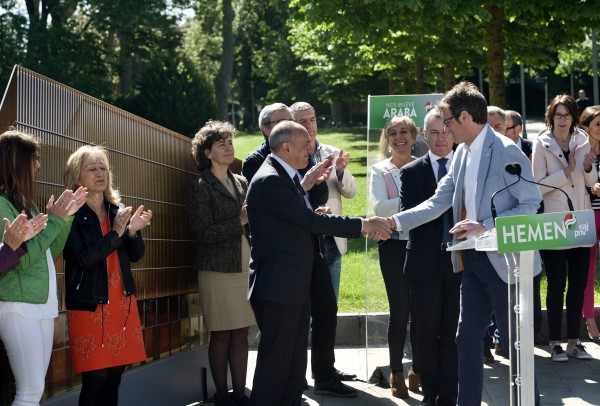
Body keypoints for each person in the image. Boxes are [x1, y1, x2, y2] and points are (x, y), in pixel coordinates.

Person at [387, 81, 542, 405]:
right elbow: (437, 202)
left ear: (466, 118)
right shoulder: (462, 155)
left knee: (515, 343)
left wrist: (484, 226)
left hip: (505, 263)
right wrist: (392, 222)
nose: (443, 128)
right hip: (471, 262)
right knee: (466, 338)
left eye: (447, 120)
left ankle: (532, 401)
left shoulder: (505, 150)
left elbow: (531, 202)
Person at [246, 120, 391, 406]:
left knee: (293, 365)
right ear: (286, 148)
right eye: (304, 146)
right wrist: (362, 224)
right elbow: (309, 221)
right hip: (278, 289)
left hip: (292, 287)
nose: (309, 150)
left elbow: (296, 217)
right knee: (276, 367)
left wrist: (307, 188)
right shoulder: (271, 179)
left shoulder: (283, 175)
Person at [0, 129, 87, 405]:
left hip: (40, 304)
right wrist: (57, 220)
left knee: (35, 391)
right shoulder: (2, 204)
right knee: (29, 391)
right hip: (18, 306)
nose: (38, 165)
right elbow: (22, 259)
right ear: (17, 162)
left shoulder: (24, 202)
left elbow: (48, 251)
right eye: (34, 158)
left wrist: (65, 218)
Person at [63, 145, 151, 405]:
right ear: (76, 176)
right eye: (91, 168)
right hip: (89, 305)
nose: (100, 173)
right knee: (96, 378)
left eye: (103, 167)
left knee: (114, 376)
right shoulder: (70, 215)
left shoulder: (117, 210)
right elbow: (83, 260)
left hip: (121, 303)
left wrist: (132, 232)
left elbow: (135, 255)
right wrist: (116, 233)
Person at [185, 121, 256, 406]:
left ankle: (240, 394)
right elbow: (203, 232)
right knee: (222, 333)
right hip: (217, 270)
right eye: (221, 144)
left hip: (245, 267)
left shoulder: (242, 182)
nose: (229, 148)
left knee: (241, 332)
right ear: (207, 152)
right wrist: (238, 220)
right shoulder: (199, 187)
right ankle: (222, 395)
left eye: (230, 142)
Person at [399, 109, 460, 406]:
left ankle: (449, 396)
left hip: (460, 264)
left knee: (453, 333)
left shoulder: (467, 167)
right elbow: (413, 216)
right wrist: (439, 199)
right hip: (425, 264)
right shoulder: (411, 172)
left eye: (446, 131)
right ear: (424, 136)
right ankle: (430, 393)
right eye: (434, 132)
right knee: (425, 333)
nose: (441, 138)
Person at [532, 94, 597, 362]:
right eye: (558, 115)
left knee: (579, 284)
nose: (562, 120)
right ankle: (555, 342)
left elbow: (591, 181)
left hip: (581, 220)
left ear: (573, 117)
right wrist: (566, 172)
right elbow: (537, 186)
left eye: (567, 115)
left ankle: (574, 341)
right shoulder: (541, 143)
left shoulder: (581, 140)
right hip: (554, 223)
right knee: (557, 284)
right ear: (551, 116)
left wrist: (588, 166)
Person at [369, 116, 420, 398]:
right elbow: (379, 207)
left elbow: (433, 205)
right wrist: (416, 206)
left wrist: (399, 209)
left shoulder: (424, 166)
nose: (399, 137)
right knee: (400, 311)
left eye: (404, 132)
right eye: (392, 133)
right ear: (387, 139)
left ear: (414, 136)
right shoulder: (380, 170)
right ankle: (397, 373)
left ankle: (419, 370)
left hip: (421, 246)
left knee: (422, 312)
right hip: (393, 248)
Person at [290, 102, 358, 301]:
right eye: (302, 121)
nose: (309, 125)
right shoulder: (288, 156)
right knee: (305, 304)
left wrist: (340, 171)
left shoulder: (333, 152)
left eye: (312, 120)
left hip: (330, 237)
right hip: (301, 237)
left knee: (330, 305)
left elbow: (352, 192)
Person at [580, 105, 600, 343]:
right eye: (597, 124)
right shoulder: (579, 151)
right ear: (586, 126)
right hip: (588, 215)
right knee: (588, 270)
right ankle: (589, 319)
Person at [242, 103, 293, 182]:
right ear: (266, 129)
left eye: (291, 121)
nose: (290, 126)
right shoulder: (254, 161)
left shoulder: (303, 152)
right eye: (282, 122)